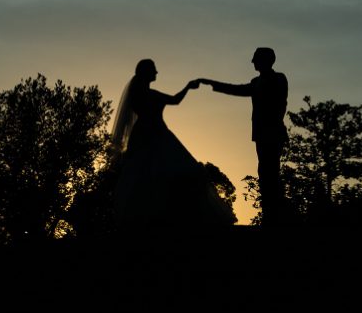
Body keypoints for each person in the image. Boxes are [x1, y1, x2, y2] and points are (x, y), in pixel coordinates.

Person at [110, 59, 235, 232]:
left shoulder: (137, 95)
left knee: (144, 178)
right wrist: (188, 87)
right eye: (154, 70)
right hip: (158, 135)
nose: (157, 73)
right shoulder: (150, 95)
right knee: (173, 173)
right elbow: (175, 100)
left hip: (142, 136)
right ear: (147, 73)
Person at [199, 47, 288, 221]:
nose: (252, 62)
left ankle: (276, 215)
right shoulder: (256, 82)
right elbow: (237, 89)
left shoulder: (277, 79)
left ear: (265, 60)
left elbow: (276, 102)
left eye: (255, 59)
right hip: (262, 135)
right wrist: (211, 83)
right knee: (264, 173)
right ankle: (269, 214)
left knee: (271, 174)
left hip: (273, 134)